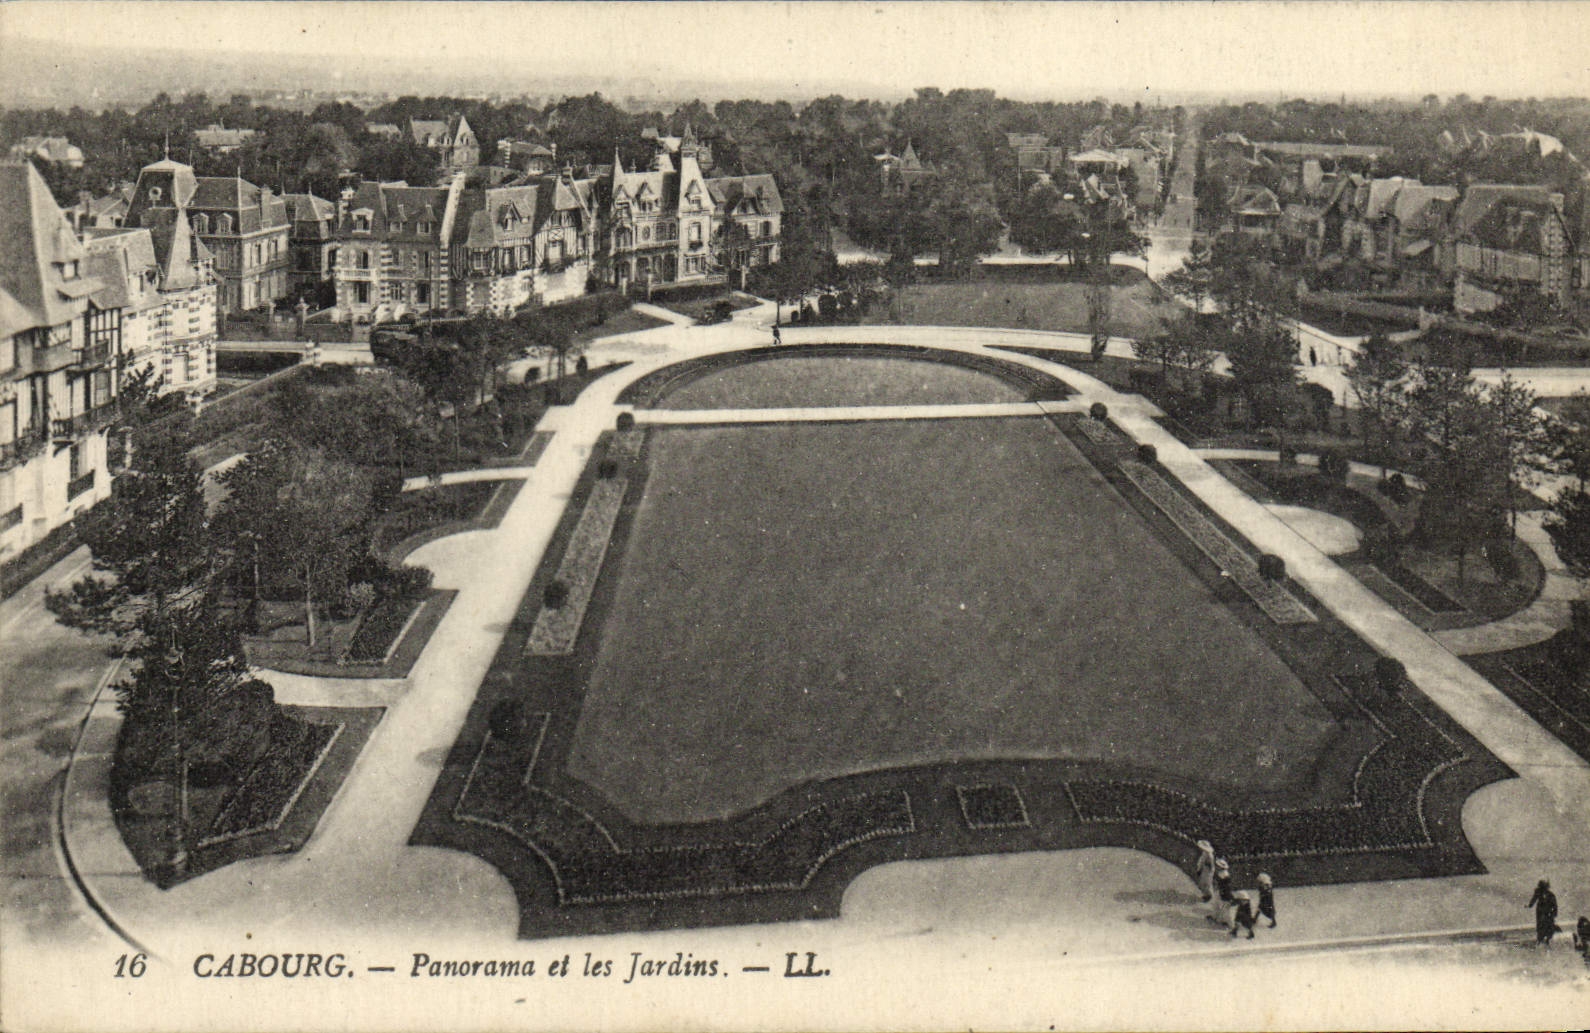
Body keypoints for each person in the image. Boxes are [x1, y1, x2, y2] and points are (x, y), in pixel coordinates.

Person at [1527, 879, 1559, 948]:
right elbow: (1533, 899)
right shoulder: (1538, 893)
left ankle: (1547, 940)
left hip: (1548, 913)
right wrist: (1530, 905)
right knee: (1541, 926)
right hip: (1541, 913)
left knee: (1548, 926)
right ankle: (1540, 940)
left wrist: (1554, 913)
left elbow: (1554, 905)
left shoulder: (1550, 895)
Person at [1208, 858, 1234, 927]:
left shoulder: (1225, 875)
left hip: (1223, 892)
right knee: (1216, 903)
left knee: (1223, 907)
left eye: (1218, 865)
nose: (1217, 866)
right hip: (1219, 890)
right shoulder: (1221, 873)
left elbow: (1225, 885)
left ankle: (1226, 922)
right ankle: (1215, 916)